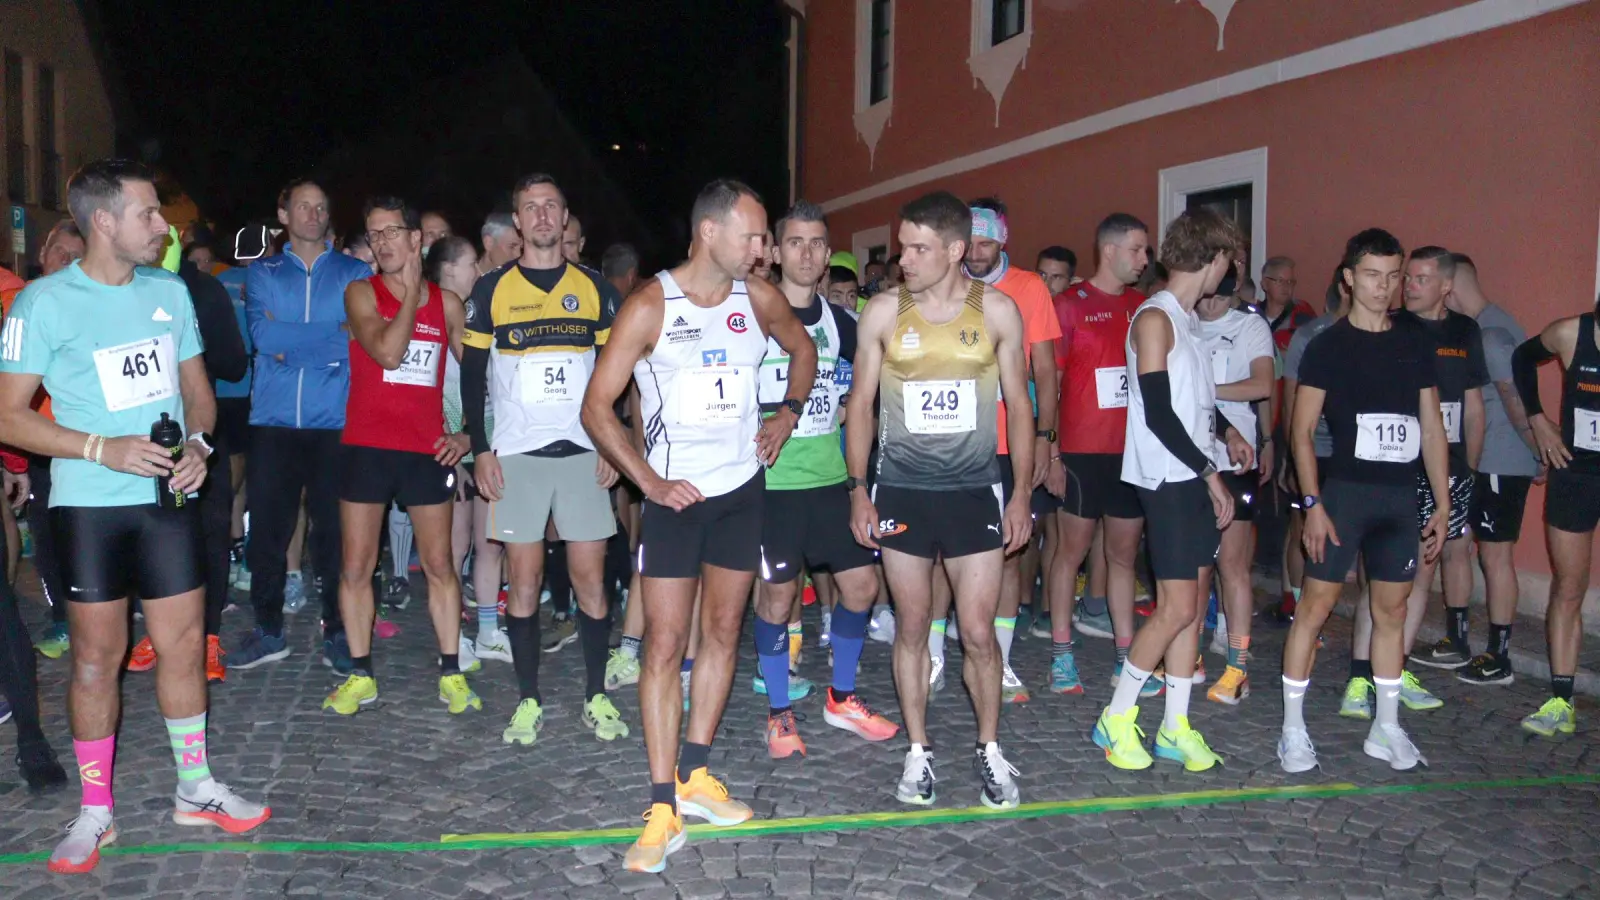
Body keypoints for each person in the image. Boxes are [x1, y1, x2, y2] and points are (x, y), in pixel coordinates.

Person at [0, 159, 271, 874]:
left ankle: (195, 788)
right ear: (104, 222)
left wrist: (203, 449)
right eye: (149, 215)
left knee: (184, 647)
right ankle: (95, 813)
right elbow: (7, 416)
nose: (164, 227)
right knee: (96, 659)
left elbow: (199, 395)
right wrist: (100, 448)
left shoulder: (169, 293)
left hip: (167, 502)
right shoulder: (43, 304)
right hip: (91, 505)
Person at [581, 179, 817, 874]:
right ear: (710, 234)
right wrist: (646, 481)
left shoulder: (758, 298)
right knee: (663, 646)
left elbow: (803, 351)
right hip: (676, 502)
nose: (763, 248)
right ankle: (661, 806)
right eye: (753, 235)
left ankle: (695, 773)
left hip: (742, 494)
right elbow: (597, 407)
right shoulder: (651, 305)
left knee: (722, 635)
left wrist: (787, 414)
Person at [846, 189, 1032, 809]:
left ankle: (988, 746)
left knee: (978, 632)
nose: (905, 258)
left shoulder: (999, 312)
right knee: (913, 627)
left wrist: (1021, 493)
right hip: (901, 489)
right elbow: (860, 408)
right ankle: (918, 750)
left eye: (920, 248)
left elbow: (1022, 408)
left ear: (955, 251)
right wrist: (857, 489)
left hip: (975, 490)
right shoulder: (881, 313)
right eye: (903, 247)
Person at [462, 174, 629, 744]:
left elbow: (615, 376)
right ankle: (529, 699)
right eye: (529, 208)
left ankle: (595, 695)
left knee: (591, 582)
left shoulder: (596, 289)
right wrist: (480, 448)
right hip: (517, 455)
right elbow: (470, 376)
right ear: (517, 222)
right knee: (525, 582)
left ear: (564, 218)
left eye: (550, 207)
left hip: (584, 452)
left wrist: (614, 444)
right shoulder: (490, 292)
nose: (540, 217)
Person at [1279, 228, 1450, 774]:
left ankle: (1387, 726)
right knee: (1316, 607)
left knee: (1392, 612)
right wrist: (1312, 505)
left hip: (1398, 500)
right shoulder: (1327, 344)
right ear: (1350, 278)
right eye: (1374, 275)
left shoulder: (1414, 343)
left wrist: (1441, 504)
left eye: (1394, 276)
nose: (1386, 287)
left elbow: (1431, 429)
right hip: (1343, 498)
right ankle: (1292, 728)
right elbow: (1300, 431)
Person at [1090, 208, 1245, 772]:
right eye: (1231, 258)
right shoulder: (1155, 319)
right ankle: (1117, 715)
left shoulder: (1187, 321)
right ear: (1216, 257)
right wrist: (1210, 472)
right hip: (1168, 479)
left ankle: (1176, 726)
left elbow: (1192, 405)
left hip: (1191, 476)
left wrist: (1225, 435)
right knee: (1177, 604)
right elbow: (1158, 412)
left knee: (1193, 604)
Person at [321, 197, 477, 716]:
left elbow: (479, 378)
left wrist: (469, 434)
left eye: (393, 232)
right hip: (366, 446)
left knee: (439, 565)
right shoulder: (360, 293)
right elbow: (388, 351)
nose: (384, 242)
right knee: (357, 565)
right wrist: (411, 296)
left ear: (417, 240)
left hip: (424, 451)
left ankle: (451, 671)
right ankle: (361, 673)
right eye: (375, 234)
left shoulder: (449, 304)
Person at [753, 200, 897, 758]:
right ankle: (780, 712)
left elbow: (861, 400)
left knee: (861, 587)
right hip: (773, 485)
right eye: (796, 243)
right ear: (775, 250)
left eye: (817, 243)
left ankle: (841, 697)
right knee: (777, 598)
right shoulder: (755, 319)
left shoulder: (844, 324)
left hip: (831, 482)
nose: (808, 254)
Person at [923, 198, 1060, 705]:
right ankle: (934, 655)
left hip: (1009, 444)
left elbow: (1045, 372)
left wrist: (1048, 438)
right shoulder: (940, 284)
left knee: (1006, 554)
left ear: (1002, 241)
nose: (976, 254)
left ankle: (998, 659)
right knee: (938, 555)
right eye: (969, 244)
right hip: (949, 445)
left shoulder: (1028, 288)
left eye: (986, 243)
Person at [234, 178, 372, 671]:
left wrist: (294, 344)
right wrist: (326, 339)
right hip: (273, 422)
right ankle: (268, 628)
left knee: (333, 535)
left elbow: (356, 340)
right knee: (268, 531)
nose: (313, 214)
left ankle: (337, 629)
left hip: (335, 423)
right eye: (303, 206)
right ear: (284, 214)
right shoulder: (264, 271)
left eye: (321, 206)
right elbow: (263, 335)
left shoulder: (355, 271)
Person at [119, 244, 248, 683]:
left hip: (196, 429)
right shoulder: (200, 287)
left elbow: (230, 363)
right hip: (136, 440)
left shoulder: (198, 291)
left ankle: (206, 640)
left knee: (199, 535)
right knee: (171, 535)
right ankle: (171, 635)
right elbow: (232, 362)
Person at [1367, 249, 1485, 710]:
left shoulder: (1465, 330)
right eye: (1407, 277)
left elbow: (1473, 407)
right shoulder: (1394, 326)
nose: (1408, 285)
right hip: (1399, 466)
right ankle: (1381, 669)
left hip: (1448, 470)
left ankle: (1395, 668)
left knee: (1427, 569)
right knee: (1402, 574)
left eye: (1419, 279)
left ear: (1445, 287)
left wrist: (1467, 474)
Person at [1046, 214, 1152, 696]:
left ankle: (1126, 660)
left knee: (1123, 556)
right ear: (1108, 250)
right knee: (1071, 553)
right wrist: (1049, 450)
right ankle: (1062, 654)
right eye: (1137, 250)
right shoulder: (1069, 305)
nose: (1145, 260)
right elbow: (1048, 380)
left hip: (1131, 453)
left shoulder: (1144, 306)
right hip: (1082, 452)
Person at [1445, 254, 1540, 686]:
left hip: (1503, 461)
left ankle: (1499, 657)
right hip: (1477, 461)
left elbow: (1517, 400)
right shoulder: (1473, 329)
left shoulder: (1493, 332)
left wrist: (1539, 453)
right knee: (1457, 544)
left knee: (1495, 555)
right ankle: (1456, 640)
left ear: (1450, 286)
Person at [1509, 293, 1600, 737]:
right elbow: (1521, 359)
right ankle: (1561, 699)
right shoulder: (1570, 333)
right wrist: (1538, 420)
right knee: (1569, 585)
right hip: (1576, 471)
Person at [1194, 270, 1274, 705]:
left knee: (1233, 566)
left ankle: (1238, 666)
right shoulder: (1182, 321)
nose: (1210, 308)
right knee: (1195, 567)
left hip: (1234, 459)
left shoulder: (1249, 326)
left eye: (1220, 300)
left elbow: (1262, 384)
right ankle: (1191, 657)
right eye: (1206, 298)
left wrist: (1204, 390)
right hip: (1190, 457)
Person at [11, 219, 86, 657]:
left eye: (78, 257)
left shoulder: (89, 308)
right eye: (61, 253)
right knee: (47, 536)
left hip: (85, 442)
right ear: (43, 252)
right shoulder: (22, 305)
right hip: (39, 444)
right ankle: (63, 618)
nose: (68, 263)